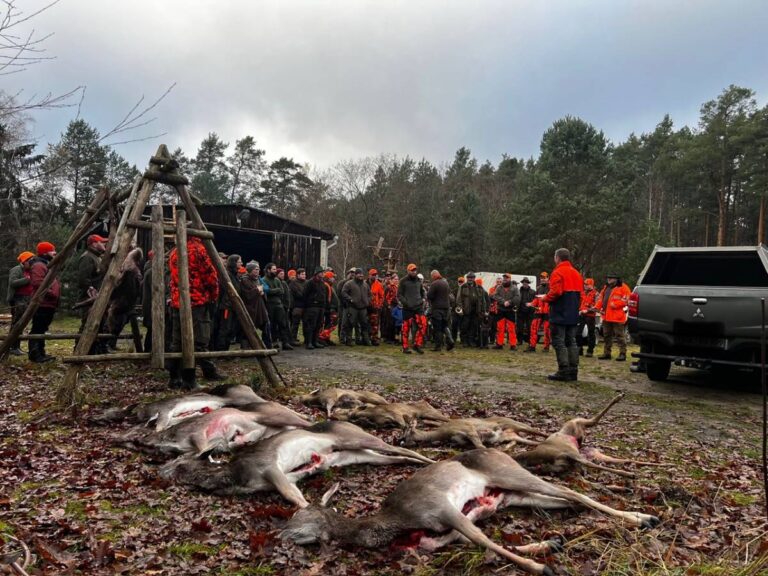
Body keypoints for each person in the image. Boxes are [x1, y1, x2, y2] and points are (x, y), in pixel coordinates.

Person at [167, 236, 222, 390]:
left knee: (177, 341)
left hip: (178, 301)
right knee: (199, 339)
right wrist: (213, 296)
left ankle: (174, 377)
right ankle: (189, 379)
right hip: (197, 300)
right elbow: (210, 276)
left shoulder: (174, 252)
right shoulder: (198, 250)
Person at [542, 248, 584, 381]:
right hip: (572, 312)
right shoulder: (576, 273)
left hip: (560, 312)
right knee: (571, 341)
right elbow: (581, 295)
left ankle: (563, 370)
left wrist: (544, 298)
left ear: (557, 258)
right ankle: (573, 371)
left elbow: (556, 292)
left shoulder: (557, 272)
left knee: (559, 341)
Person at [27, 241, 60, 363]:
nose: (55, 252)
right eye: (52, 250)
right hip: (42, 303)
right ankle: (35, 354)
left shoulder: (46, 264)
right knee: (38, 329)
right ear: (45, 252)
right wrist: (52, 293)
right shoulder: (39, 265)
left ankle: (41, 353)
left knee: (42, 328)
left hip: (48, 303)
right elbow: (38, 282)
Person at [106, 247, 143, 350]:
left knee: (115, 323)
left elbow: (124, 288)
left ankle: (109, 343)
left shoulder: (130, 271)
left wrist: (112, 296)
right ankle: (111, 343)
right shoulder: (135, 271)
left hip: (123, 302)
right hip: (127, 302)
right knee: (117, 323)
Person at [76, 234, 107, 332]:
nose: (104, 244)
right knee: (88, 324)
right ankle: (80, 346)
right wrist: (91, 291)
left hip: (96, 296)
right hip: (89, 297)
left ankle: (96, 347)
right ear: (94, 244)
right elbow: (83, 279)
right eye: (101, 242)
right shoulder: (88, 258)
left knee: (98, 324)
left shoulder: (97, 257)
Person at [597, 273, 631, 361]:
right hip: (606, 316)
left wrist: (615, 304)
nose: (609, 279)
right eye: (608, 278)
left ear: (616, 279)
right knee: (606, 335)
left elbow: (627, 299)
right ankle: (607, 353)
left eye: (611, 278)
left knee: (619, 336)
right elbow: (601, 299)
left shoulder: (624, 287)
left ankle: (622, 354)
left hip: (617, 317)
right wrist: (597, 307)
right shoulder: (606, 287)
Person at [6, 251, 34, 355]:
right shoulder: (16, 269)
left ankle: (16, 347)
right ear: (24, 261)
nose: (32, 263)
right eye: (30, 261)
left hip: (27, 299)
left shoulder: (30, 270)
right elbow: (12, 283)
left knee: (21, 323)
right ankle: (12, 346)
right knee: (17, 323)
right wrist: (27, 279)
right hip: (18, 299)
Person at [213, 254, 242, 351]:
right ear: (234, 263)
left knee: (232, 329)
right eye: (239, 261)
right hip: (227, 306)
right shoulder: (226, 275)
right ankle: (221, 350)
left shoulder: (236, 275)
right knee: (225, 328)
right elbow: (222, 291)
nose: (241, 263)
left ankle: (226, 349)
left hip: (233, 306)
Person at [239, 260, 272, 349]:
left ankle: (267, 346)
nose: (258, 271)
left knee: (266, 324)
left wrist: (260, 291)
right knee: (248, 327)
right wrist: (257, 290)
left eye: (258, 269)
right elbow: (247, 294)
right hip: (251, 308)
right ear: (250, 270)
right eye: (255, 269)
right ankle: (246, 348)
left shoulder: (257, 279)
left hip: (260, 307)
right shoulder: (245, 280)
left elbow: (264, 288)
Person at [262, 262, 294, 350]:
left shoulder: (277, 280)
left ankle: (285, 342)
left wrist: (273, 291)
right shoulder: (264, 280)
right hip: (269, 305)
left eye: (276, 269)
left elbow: (282, 291)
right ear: (268, 270)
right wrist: (276, 290)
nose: (275, 271)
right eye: (274, 269)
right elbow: (267, 292)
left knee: (283, 324)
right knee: (271, 324)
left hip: (279, 305)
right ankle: (272, 342)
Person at [397, 263, 428, 354]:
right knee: (406, 329)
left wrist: (422, 299)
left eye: (415, 270)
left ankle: (417, 345)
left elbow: (422, 292)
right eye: (412, 270)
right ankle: (405, 347)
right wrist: (406, 303)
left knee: (423, 325)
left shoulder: (419, 280)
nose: (414, 272)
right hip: (407, 308)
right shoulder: (403, 281)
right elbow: (399, 295)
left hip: (418, 308)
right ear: (408, 271)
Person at [341, 268, 372, 346]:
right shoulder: (349, 283)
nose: (361, 275)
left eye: (362, 274)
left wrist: (368, 301)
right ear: (355, 275)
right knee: (350, 324)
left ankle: (365, 340)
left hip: (363, 308)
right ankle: (349, 340)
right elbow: (343, 293)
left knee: (364, 324)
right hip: (352, 307)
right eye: (359, 274)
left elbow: (370, 294)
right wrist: (350, 299)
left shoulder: (365, 284)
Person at [456, 272, 486, 347]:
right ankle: (464, 341)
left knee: (473, 326)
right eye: (469, 277)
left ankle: (471, 341)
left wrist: (483, 310)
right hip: (466, 310)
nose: (470, 279)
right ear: (467, 278)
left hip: (476, 310)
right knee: (464, 326)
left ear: (474, 278)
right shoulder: (462, 287)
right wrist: (460, 309)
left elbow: (483, 300)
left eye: (472, 277)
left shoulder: (479, 287)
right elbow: (458, 299)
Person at [492, 273, 521, 350]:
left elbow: (518, 298)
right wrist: (503, 301)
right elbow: (495, 296)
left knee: (511, 329)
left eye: (507, 278)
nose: (505, 279)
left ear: (510, 279)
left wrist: (510, 302)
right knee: (500, 328)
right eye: (504, 277)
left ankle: (513, 345)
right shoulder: (499, 287)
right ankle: (499, 344)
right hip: (501, 310)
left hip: (510, 310)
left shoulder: (515, 288)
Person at [427, 269, 453, 352]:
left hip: (437, 309)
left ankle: (438, 346)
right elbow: (449, 295)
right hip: (446, 308)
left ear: (434, 276)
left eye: (432, 276)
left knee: (437, 328)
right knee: (444, 326)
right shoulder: (446, 283)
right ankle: (450, 340)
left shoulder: (434, 284)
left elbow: (429, 295)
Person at [302, 267, 329, 349]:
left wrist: (324, 305)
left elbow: (324, 295)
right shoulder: (310, 282)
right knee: (311, 325)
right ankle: (309, 342)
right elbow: (305, 294)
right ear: (317, 273)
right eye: (321, 273)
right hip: (312, 307)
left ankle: (315, 341)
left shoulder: (322, 283)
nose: (322, 274)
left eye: (323, 273)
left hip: (321, 307)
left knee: (318, 325)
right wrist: (310, 303)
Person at [578, 278, 599, 357]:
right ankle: (579, 349)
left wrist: (588, 310)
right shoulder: (582, 293)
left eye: (587, 284)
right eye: (584, 284)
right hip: (581, 315)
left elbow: (597, 306)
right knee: (578, 332)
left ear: (591, 285)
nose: (585, 286)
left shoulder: (596, 294)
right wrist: (579, 310)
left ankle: (590, 351)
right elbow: (579, 303)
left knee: (591, 333)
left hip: (590, 316)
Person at [318, 270, 339, 346]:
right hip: (329, 309)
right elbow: (326, 299)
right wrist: (330, 308)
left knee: (328, 324)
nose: (334, 279)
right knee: (332, 324)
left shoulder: (329, 286)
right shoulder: (326, 286)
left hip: (330, 309)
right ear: (328, 278)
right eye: (332, 277)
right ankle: (321, 337)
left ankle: (326, 338)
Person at [367, 269, 385, 346]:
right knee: (365, 323)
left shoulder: (379, 284)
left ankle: (374, 339)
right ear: (369, 275)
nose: (374, 276)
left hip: (375, 308)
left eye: (375, 275)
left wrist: (379, 305)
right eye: (372, 275)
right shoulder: (364, 283)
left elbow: (382, 296)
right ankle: (366, 338)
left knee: (375, 325)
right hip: (366, 307)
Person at [381, 271, 399, 344]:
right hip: (390, 306)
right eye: (395, 279)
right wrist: (388, 306)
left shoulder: (397, 287)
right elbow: (385, 298)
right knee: (389, 323)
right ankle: (388, 338)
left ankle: (394, 338)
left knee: (395, 322)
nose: (396, 280)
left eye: (397, 279)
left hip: (396, 306)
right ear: (392, 280)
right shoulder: (389, 287)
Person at [289, 268, 306, 342]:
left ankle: (306, 339)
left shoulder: (307, 282)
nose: (304, 276)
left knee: (306, 324)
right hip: (297, 306)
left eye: (304, 274)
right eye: (302, 274)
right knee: (295, 324)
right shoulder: (293, 283)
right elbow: (298, 294)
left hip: (305, 306)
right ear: (298, 275)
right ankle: (292, 338)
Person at [516, 277, 535, 345]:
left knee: (529, 328)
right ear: (522, 283)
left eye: (526, 282)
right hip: (520, 312)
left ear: (528, 283)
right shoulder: (518, 291)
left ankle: (530, 341)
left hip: (529, 313)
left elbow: (535, 302)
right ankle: (519, 341)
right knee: (519, 328)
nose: (525, 283)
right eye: (523, 282)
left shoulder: (533, 292)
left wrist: (532, 308)